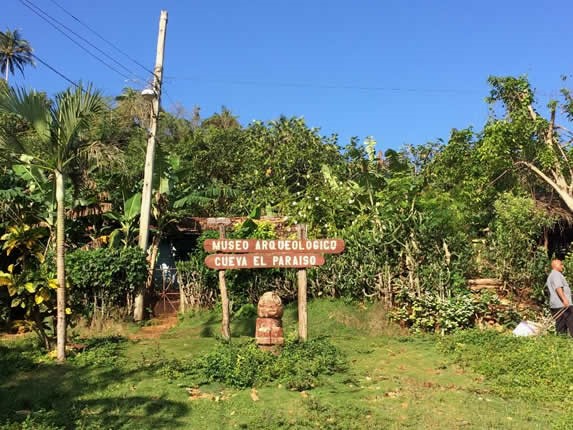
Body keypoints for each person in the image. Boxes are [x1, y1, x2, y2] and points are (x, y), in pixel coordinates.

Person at [546, 259, 573, 336]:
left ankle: (561, 342)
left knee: (561, 325)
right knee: (571, 323)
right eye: (561, 264)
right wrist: (565, 300)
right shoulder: (556, 274)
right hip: (562, 304)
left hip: (556, 304)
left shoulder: (552, 275)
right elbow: (558, 288)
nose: (562, 266)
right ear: (555, 265)